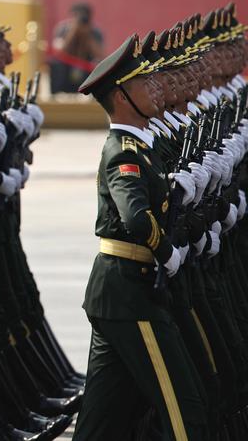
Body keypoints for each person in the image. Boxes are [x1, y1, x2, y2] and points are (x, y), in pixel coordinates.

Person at [73, 34, 207, 440]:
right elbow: (135, 217)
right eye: (141, 86)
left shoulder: (139, 148)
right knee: (185, 409)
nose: (152, 91)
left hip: (120, 292)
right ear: (120, 99)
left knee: (103, 419)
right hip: (130, 291)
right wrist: (166, 252)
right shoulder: (123, 153)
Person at [50, 2, 104, 93]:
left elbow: (100, 56)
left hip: (86, 68)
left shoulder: (95, 32)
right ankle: (57, 93)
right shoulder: (62, 29)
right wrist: (72, 32)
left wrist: (87, 35)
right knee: (55, 64)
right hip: (66, 68)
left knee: (98, 65)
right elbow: (58, 53)